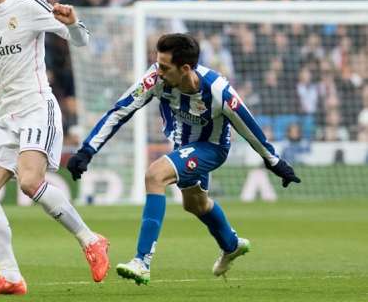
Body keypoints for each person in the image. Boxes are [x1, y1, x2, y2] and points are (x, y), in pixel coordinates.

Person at [67, 33, 301, 285]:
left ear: (185, 68)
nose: (159, 71)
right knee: (196, 204)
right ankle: (231, 245)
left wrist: (274, 161)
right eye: (157, 64)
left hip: (211, 148)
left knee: (154, 176)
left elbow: (249, 127)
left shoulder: (218, 90)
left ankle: (142, 261)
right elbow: (120, 110)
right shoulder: (156, 79)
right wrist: (87, 150)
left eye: (165, 67)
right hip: (183, 144)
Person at [0, 0, 109, 296]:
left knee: (30, 181)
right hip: (6, 118)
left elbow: (82, 40)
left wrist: (72, 23)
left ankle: (90, 240)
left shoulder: (30, 6)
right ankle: (11, 277)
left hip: (37, 107)